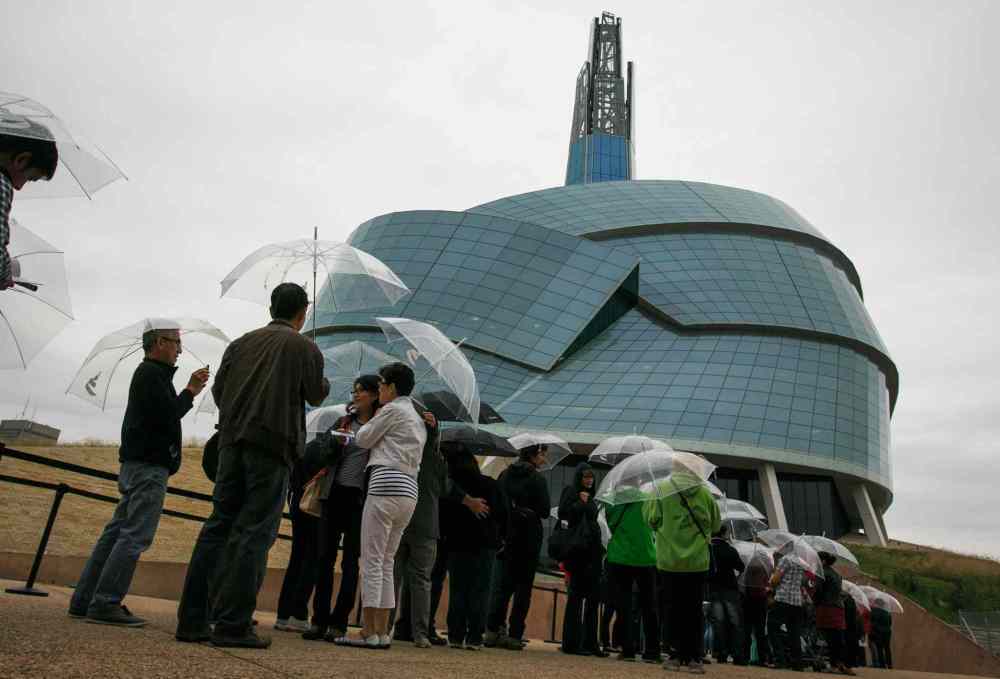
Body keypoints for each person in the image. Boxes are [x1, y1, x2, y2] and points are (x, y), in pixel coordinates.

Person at [176, 283, 329, 648]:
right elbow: (315, 393)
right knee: (254, 533)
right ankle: (233, 623)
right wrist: (321, 378)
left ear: (271, 306)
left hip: (231, 443)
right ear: (302, 312)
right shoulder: (305, 346)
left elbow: (219, 392)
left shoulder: (240, 343)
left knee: (218, 526)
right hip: (273, 447)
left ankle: (193, 620)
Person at [68, 327, 208, 626]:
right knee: (135, 535)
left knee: (116, 532)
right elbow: (167, 415)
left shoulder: (150, 374)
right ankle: (105, 602)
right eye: (177, 343)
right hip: (148, 467)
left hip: (137, 464)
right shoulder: (151, 374)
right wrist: (190, 391)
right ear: (159, 343)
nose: (180, 350)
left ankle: (85, 599)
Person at [336, 362, 427, 649]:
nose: (379, 391)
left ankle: (369, 631)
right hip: (409, 490)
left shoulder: (392, 410)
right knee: (387, 561)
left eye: (382, 385)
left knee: (372, 560)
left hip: (385, 485)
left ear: (391, 387)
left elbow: (363, 438)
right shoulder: (416, 417)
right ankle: (382, 632)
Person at [302, 376, 380, 642]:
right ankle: (318, 621)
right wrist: (335, 445)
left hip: (360, 500)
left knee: (350, 563)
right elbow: (322, 454)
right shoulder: (343, 422)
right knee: (324, 559)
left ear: (374, 395)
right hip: (332, 495)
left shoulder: (381, 426)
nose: (355, 395)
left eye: (361, 391)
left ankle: (339, 622)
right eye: (354, 391)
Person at [644, 475, 721, 674]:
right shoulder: (705, 493)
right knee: (694, 609)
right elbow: (715, 526)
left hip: (670, 560)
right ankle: (695, 657)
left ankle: (674, 655)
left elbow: (651, 520)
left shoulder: (662, 489)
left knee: (671, 607)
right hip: (697, 562)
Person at [485, 444, 551, 650]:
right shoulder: (538, 479)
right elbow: (545, 510)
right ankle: (514, 635)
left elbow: (495, 503)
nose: (544, 459)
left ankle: (493, 631)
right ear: (533, 455)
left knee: (501, 589)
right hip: (529, 540)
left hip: (506, 537)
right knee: (522, 591)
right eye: (542, 454)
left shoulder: (505, 474)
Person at [387, 402, 442, 649]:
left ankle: (384, 627)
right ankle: (420, 633)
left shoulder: (401, 451)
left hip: (400, 519)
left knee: (392, 575)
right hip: (426, 524)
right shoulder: (437, 459)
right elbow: (443, 486)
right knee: (421, 580)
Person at [441, 449, 508, 650]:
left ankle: (455, 635)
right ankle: (475, 637)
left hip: (457, 543)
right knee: (481, 591)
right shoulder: (490, 484)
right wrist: (501, 538)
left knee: (458, 590)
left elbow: (444, 514)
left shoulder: (453, 487)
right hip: (485, 544)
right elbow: (503, 514)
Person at [559, 463, 607, 657]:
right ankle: (572, 643)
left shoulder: (594, 499)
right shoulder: (571, 492)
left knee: (593, 599)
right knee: (576, 599)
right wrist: (580, 503)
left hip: (593, 554)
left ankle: (590, 643)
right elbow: (564, 515)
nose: (588, 480)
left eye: (591, 477)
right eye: (585, 477)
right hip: (578, 554)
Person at [605, 496, 660, 663]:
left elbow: (611, 523)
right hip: (646, 555)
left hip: (620, 556)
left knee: (624, 605)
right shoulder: (649, 497)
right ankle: (652, 651)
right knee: (649, 604)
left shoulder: (614, 499)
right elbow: (655, 521)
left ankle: (628, 650)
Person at [1, 130, 57, 290]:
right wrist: (5, 275)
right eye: (29, 178)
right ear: (21, 160)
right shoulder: (2, 184)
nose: (19, 187)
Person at [708, 524, 746, 664]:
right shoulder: (730, 550)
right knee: (734, 621)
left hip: (714, 588)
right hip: (730, 588)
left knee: (718, 622)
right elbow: (741, 567)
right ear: (724, 534)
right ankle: (738, 655)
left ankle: (721, 653)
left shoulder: (709, 549)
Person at [814, 552, 855, 675]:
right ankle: (841, 663)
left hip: (827, 607)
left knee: (830, 637)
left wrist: (814, 602)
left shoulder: (822, 573)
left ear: (823, 561)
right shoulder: (837, 574)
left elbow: (818, 591)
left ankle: (834, 665)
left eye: (817, 559)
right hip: (839, 608)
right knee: (837, 636)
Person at [767, 547, 808, 671]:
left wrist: (772, 582)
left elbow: (775, 580)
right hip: (796, 602)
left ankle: (780, 660)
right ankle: (797, 663)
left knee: (772, 628)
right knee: (794, 633)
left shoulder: (786, 559)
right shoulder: (802, 563)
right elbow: (802, 583)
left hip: (783, 599)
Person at [740, 547, 772, 666]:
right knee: (760, 631)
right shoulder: (766, 566)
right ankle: (762, 659)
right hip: (761, 600)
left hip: (748, 599)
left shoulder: (747, 565)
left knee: (747, 630)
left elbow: (742, 584)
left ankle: (744, 657)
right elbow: (767, 582)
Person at [869, 598, 893, 669]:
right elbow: (890, 623)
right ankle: (889, 664)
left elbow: (873, 622)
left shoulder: (874, 611)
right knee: (887, 648)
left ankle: (882, 665)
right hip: (887, 633)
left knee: (879, 649)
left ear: (877, 604)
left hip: (879, 633)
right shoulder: (887, 612)